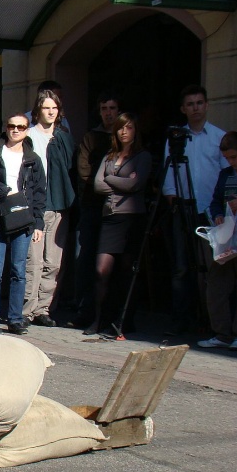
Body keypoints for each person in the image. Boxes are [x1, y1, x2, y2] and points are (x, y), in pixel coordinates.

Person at [162, 85, 227, 335]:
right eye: (190, 104)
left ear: (206, 105)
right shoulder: (176, 138)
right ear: (183, 109)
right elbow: (169, 172)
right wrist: (172, 198)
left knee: (211, 266)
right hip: (183, 207)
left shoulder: (219, 137)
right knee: (181, 266)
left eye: (199, 103)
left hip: (210, 211)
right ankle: (181, 319)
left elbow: (225, 174)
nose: (195, 108)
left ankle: (211, 320)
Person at [0, 112, 46, 335]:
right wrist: (1, 190)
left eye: (21, 127)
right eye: (11, 126)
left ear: (27, 130)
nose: (15, 130)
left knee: (19, 270)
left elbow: (39, 192)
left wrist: (38, 223)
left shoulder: (33, 159)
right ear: (6, 128)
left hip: (23, 219)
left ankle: (15, 318)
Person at [85, 113, 152, 335]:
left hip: (131, 218)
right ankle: (99, 319)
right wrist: (121, 181)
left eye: (129, 127)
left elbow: (136, 184)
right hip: (110, 217)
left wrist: (110, 179)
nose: (124, 132)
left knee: (126, 271)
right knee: (101, 270)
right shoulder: (109, 155)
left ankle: (124, 320)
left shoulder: (142, 156)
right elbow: (97, 185)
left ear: (136, 131)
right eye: (121, 128)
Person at [23, 89, 76, 327]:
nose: (51, 112)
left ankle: (43, 309)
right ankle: (27, 310)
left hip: (58, 205)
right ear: (38, 110)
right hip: (35, 206)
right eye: (46, 108)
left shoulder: (63, 137)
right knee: (33, 262)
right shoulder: (28, 136)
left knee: (53, 263)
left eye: (54, 107)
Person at [198, 132, 237, 351]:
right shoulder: (225, 175)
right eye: (227, 158)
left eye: (234, 157)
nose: (231, 162)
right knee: (218, 286)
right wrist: (218, 214)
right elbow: (215, 202)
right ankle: (221, 333)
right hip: (227, 240)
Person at [73, 91, 120, 328]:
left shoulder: (125, 137)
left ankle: (111, 314)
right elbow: (83, 171)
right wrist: (103, 186)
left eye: (112, 108)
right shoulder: (91, 137)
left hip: (117, 210)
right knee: (86, 258)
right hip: (92, 206)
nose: (108, 113)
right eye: (104, 109)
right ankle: (85, 311)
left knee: (111, 263)